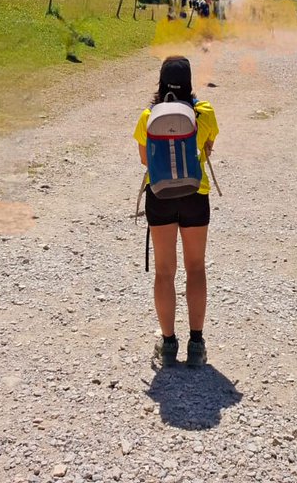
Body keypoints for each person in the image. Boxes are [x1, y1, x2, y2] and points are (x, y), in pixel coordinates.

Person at [133, 55, 219, 368]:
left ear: (160, 80)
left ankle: (168, 345)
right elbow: (208, 148)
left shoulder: (148, 115)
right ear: (188, 81)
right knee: (195, 268)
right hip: (196, 194)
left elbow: (145, 160)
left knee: (164, 271)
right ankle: (196, 345)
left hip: (161, 195)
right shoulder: (204, 112)